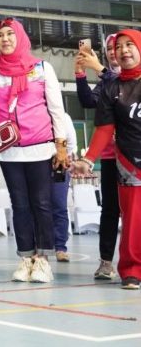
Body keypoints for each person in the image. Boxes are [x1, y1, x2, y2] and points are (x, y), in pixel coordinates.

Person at [0, 18, 68, 283]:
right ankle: (26, 257)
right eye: (0, 35)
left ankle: (43, 260)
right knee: (20, 205)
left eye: (9, 34)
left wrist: (60, 146)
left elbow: (56, 108)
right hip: (9, 151)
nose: (5, 39)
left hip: (41, 148)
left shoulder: (42, 68)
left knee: (42, 203)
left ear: (20, 36)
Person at [74, 29, 141, 289]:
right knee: (133, 219)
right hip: (128, 162)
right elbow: (104, 128)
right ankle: (132, 270)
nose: (124, 51)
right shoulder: (111, 87)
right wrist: (88, 159)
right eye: (119, 47)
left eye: (129, 45)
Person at [75, 34, 120, 279]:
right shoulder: (105, 82)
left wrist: (100, 69)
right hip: (112, 156)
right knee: (110, 210)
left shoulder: (130, 76)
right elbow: (87, 100)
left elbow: (124, 84)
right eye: (111, 48)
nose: (115, 52)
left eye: (121, 47)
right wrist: (81, 73)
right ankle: (105, 261)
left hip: (134, 155)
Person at [51, 112, 77, 262]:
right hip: (37, 163)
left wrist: (63, 156)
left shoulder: (64, 117)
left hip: (60, 164)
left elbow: (72, 143)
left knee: (59, 206)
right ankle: (37, 246)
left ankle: (60, 247)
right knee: (38, 206)